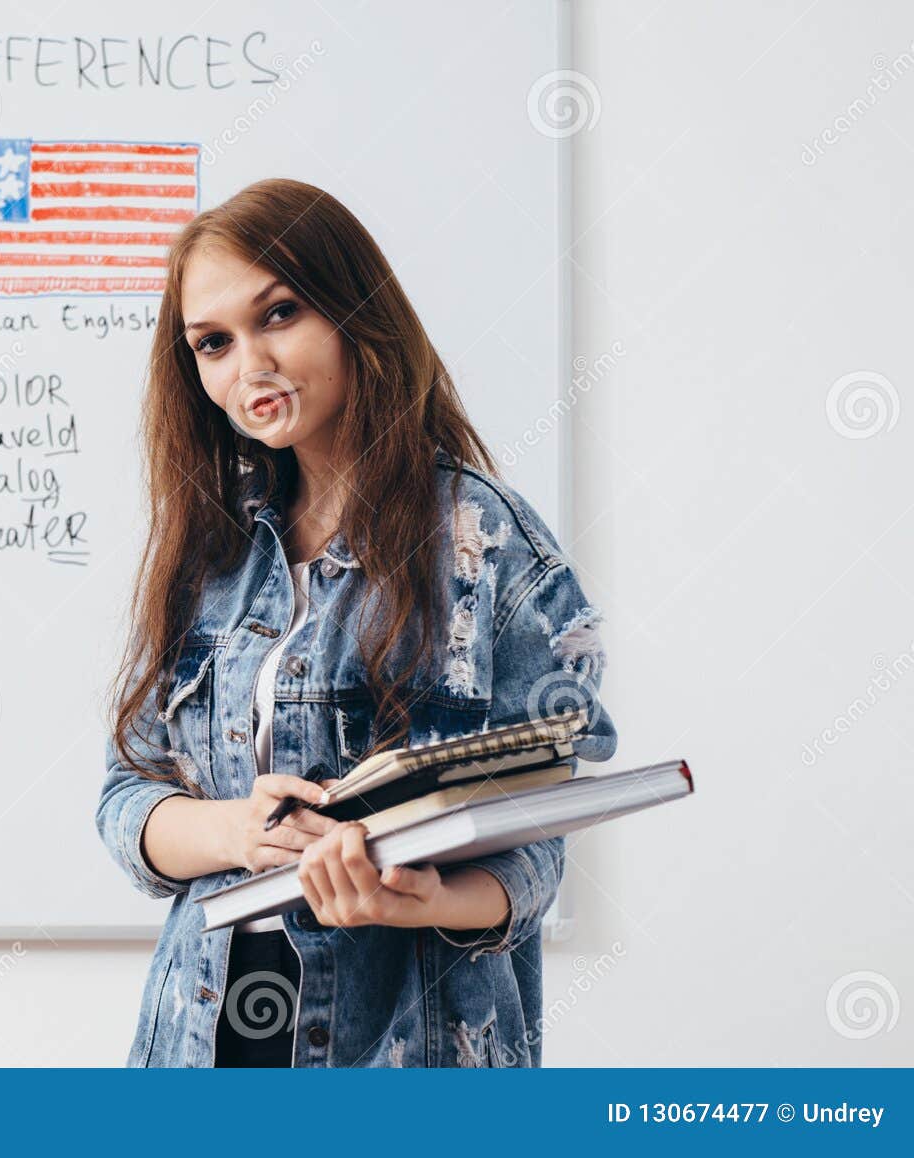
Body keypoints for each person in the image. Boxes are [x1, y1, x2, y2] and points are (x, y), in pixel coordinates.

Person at [94, 177, 618, 1068]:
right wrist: (237, 831)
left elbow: (545, 823)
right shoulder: (208, 552)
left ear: (354, 313)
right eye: (213, 343)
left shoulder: (487, 541)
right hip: (203, 1041)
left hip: (407, 1047)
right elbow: (125, 801)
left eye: (280, 314)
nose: (247, 362)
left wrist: (416, 897)